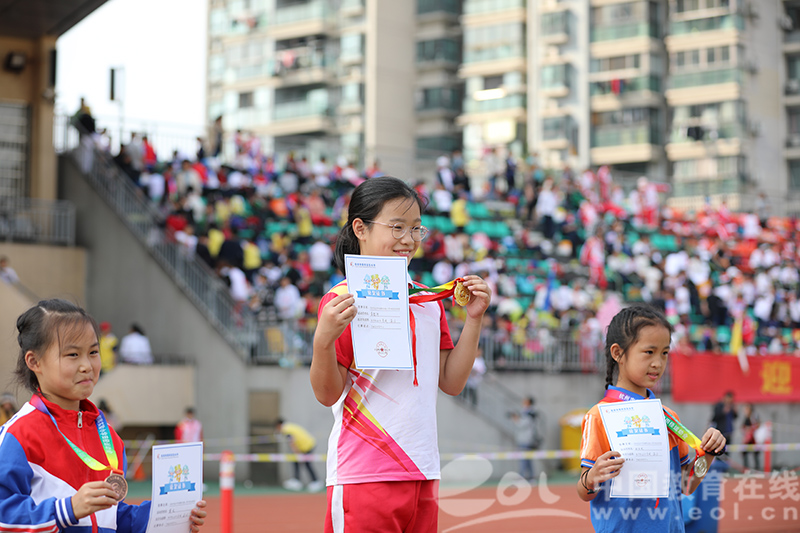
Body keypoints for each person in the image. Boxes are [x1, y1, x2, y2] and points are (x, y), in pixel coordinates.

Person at [311, 176, 491, 533]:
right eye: (397, 227)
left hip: (423, 470)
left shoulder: (427, 301)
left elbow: (451, 383)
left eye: (416, 229)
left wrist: (474, 320)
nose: (408, 240)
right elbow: (327, 393)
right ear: (360, 228)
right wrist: (323, 341)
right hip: (364, 474)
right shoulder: (343, 301)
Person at [0, 299, 207, 533]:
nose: (87, 365)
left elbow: (111, 517)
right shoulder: (18, 435)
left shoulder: (108, 436)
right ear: (34, 362)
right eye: (72, 354)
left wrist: (166, 517)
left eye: (93, 352)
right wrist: (66, 510)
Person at [577, 304, 725, 532]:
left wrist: (708, 455)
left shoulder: (668, 417)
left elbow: (687, 485)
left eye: (664, 353)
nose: (658, 362)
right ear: (618, 353)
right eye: (649, 352)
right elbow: (584, 493)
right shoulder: (599, 416)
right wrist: (592, 477)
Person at [275, 418, 324, 492]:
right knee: (297, 462)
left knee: (306, 463)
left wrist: (297, 453)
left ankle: (315, 481)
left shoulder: (286, 429)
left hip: (307, 446)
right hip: (306, 445)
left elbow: (292, 442)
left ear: (278, 425)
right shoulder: (289, 426)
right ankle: (297, 480)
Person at [512, 396, 543, 481]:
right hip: (527, 439)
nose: (523, 403)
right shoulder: (529, 413)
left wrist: (516, 419)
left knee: (524, 459)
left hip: (526, 439)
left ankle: (522, 477)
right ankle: (530, 477)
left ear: (529, 402)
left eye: (525, 401)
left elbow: (521, 425)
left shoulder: (529, 414)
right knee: (528, 459)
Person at [741, 403, 760, 471]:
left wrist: (750, 429)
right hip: (747, 439)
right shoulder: (746, 418)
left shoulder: (754, 417)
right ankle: (746, 469)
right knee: (744, 453)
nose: (745, 411)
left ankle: (757, 469)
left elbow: (757, 425)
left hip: (754, 439)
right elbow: (743, 427)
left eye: (746, 409)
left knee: (755, 454)